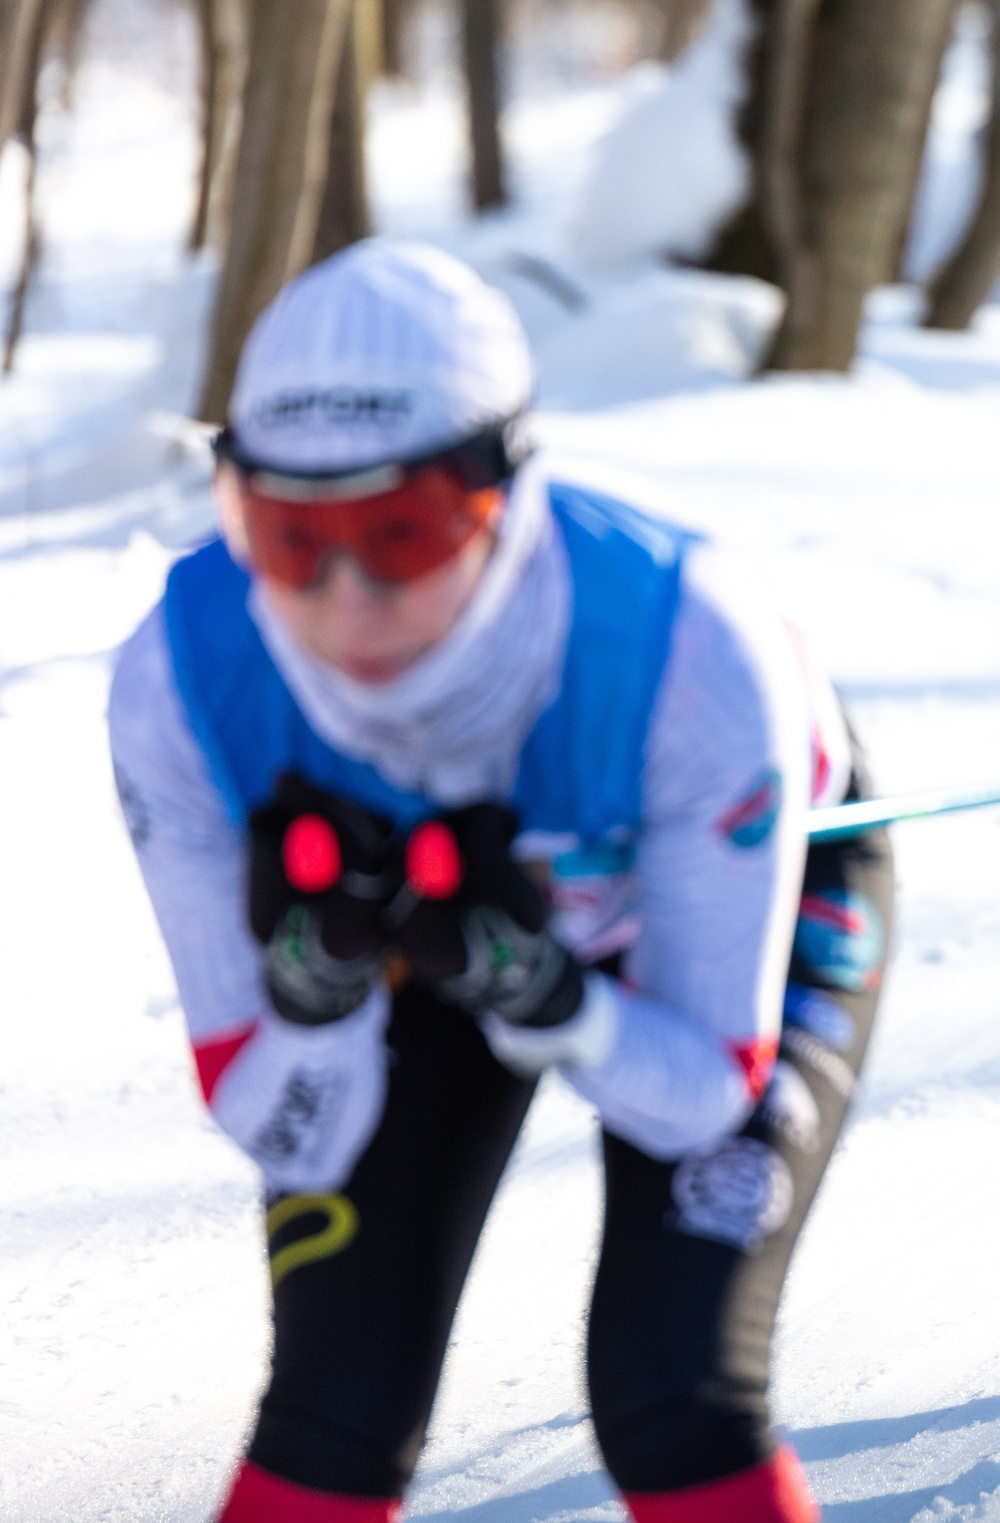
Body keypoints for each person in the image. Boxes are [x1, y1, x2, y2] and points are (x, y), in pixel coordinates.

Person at [107, 240, 896, 1522]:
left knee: (671, 1390)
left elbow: (699, 1095)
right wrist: (315, 1001)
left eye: (401, 534)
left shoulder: (695, 652)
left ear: (503, 496)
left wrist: (549, 1000)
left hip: (725, 898)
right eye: (289, 537)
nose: (345, 602)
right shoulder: (182, 681)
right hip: (445, 941)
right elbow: (266, 1114)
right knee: (335, 1401)